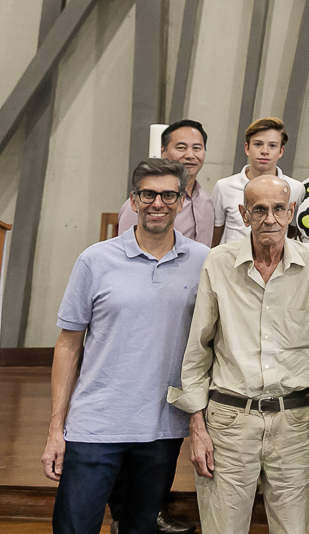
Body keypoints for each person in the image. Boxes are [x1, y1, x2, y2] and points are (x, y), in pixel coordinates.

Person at [169, 175, 309, 534]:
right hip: (228, 420)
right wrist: (197, 426)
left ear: (291, 212)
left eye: (278, 209)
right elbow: (198, 349)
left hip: (295, 422)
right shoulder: (219, 263)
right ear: (244, 214)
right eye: (259, 210)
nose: (269, 218)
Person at [42, 159, 207, 534]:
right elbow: (68, 345)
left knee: (138, 528)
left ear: (181, 201)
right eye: (148, 194)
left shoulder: (203, 261)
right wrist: (56, 427)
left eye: (168, 195)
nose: (158, 203)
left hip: (161, 427)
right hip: (95, 425)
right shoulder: (96, 259)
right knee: (73, 527)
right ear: (133, 200)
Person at [117, 120, 215, 249]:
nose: (190, 155)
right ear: (162, 151)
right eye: (181, 148)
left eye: (197, 148)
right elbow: (125, 249)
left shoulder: (207, 201)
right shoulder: (143, 205)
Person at [211, 117, 305, 245]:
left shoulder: (295, 188)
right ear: (247, 148)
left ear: (281, 151)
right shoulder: (224, 187)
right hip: (232, 260)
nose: (264, 151)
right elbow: (215, 235)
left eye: (272, 146)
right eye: (258, 144)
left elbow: (291, 231)